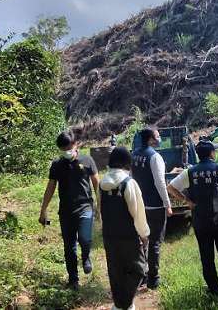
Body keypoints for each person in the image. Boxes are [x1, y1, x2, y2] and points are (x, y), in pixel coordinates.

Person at [168, 140, 218, 297]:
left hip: (201, 220)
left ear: (198, 155)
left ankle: (214, 291)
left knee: (207, 257)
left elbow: (171, 187)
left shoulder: (190, 172)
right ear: (212, 154)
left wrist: (187, 201)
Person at [39, 131, 100, 290]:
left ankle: (86, 257)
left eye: (69, 147)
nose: (67, 151)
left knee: (85, 239)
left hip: (85, 207)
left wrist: (101, 205)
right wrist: (43, 209)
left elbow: (96, 184)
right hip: (66, 211)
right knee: (69, 246)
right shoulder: (57, 165)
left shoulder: (87, 160)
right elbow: (50, 188)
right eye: (63, 148)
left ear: (76, 144)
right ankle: (73, 280)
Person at [99, 147, 150, 310]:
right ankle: (125, 304)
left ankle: (119, 304)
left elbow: (99, 208)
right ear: (127, 163)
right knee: (139, 269)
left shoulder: (102, 183)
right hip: (128, 236)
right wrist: (144, 234)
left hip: (109, 235)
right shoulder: (128, 183)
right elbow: (138, 212)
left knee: (116, 271)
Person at [131, 128, 172, 289]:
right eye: (157, 136)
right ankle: (153, 279)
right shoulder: (155, 157)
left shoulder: (134, 155)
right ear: (150, 140)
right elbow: (160, 183)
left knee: (141, 241)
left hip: (139, 204)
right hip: (155, 206)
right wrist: (167, 204)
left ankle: (141, 275)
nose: (159, 138)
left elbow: (132, 178)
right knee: (154, 241)